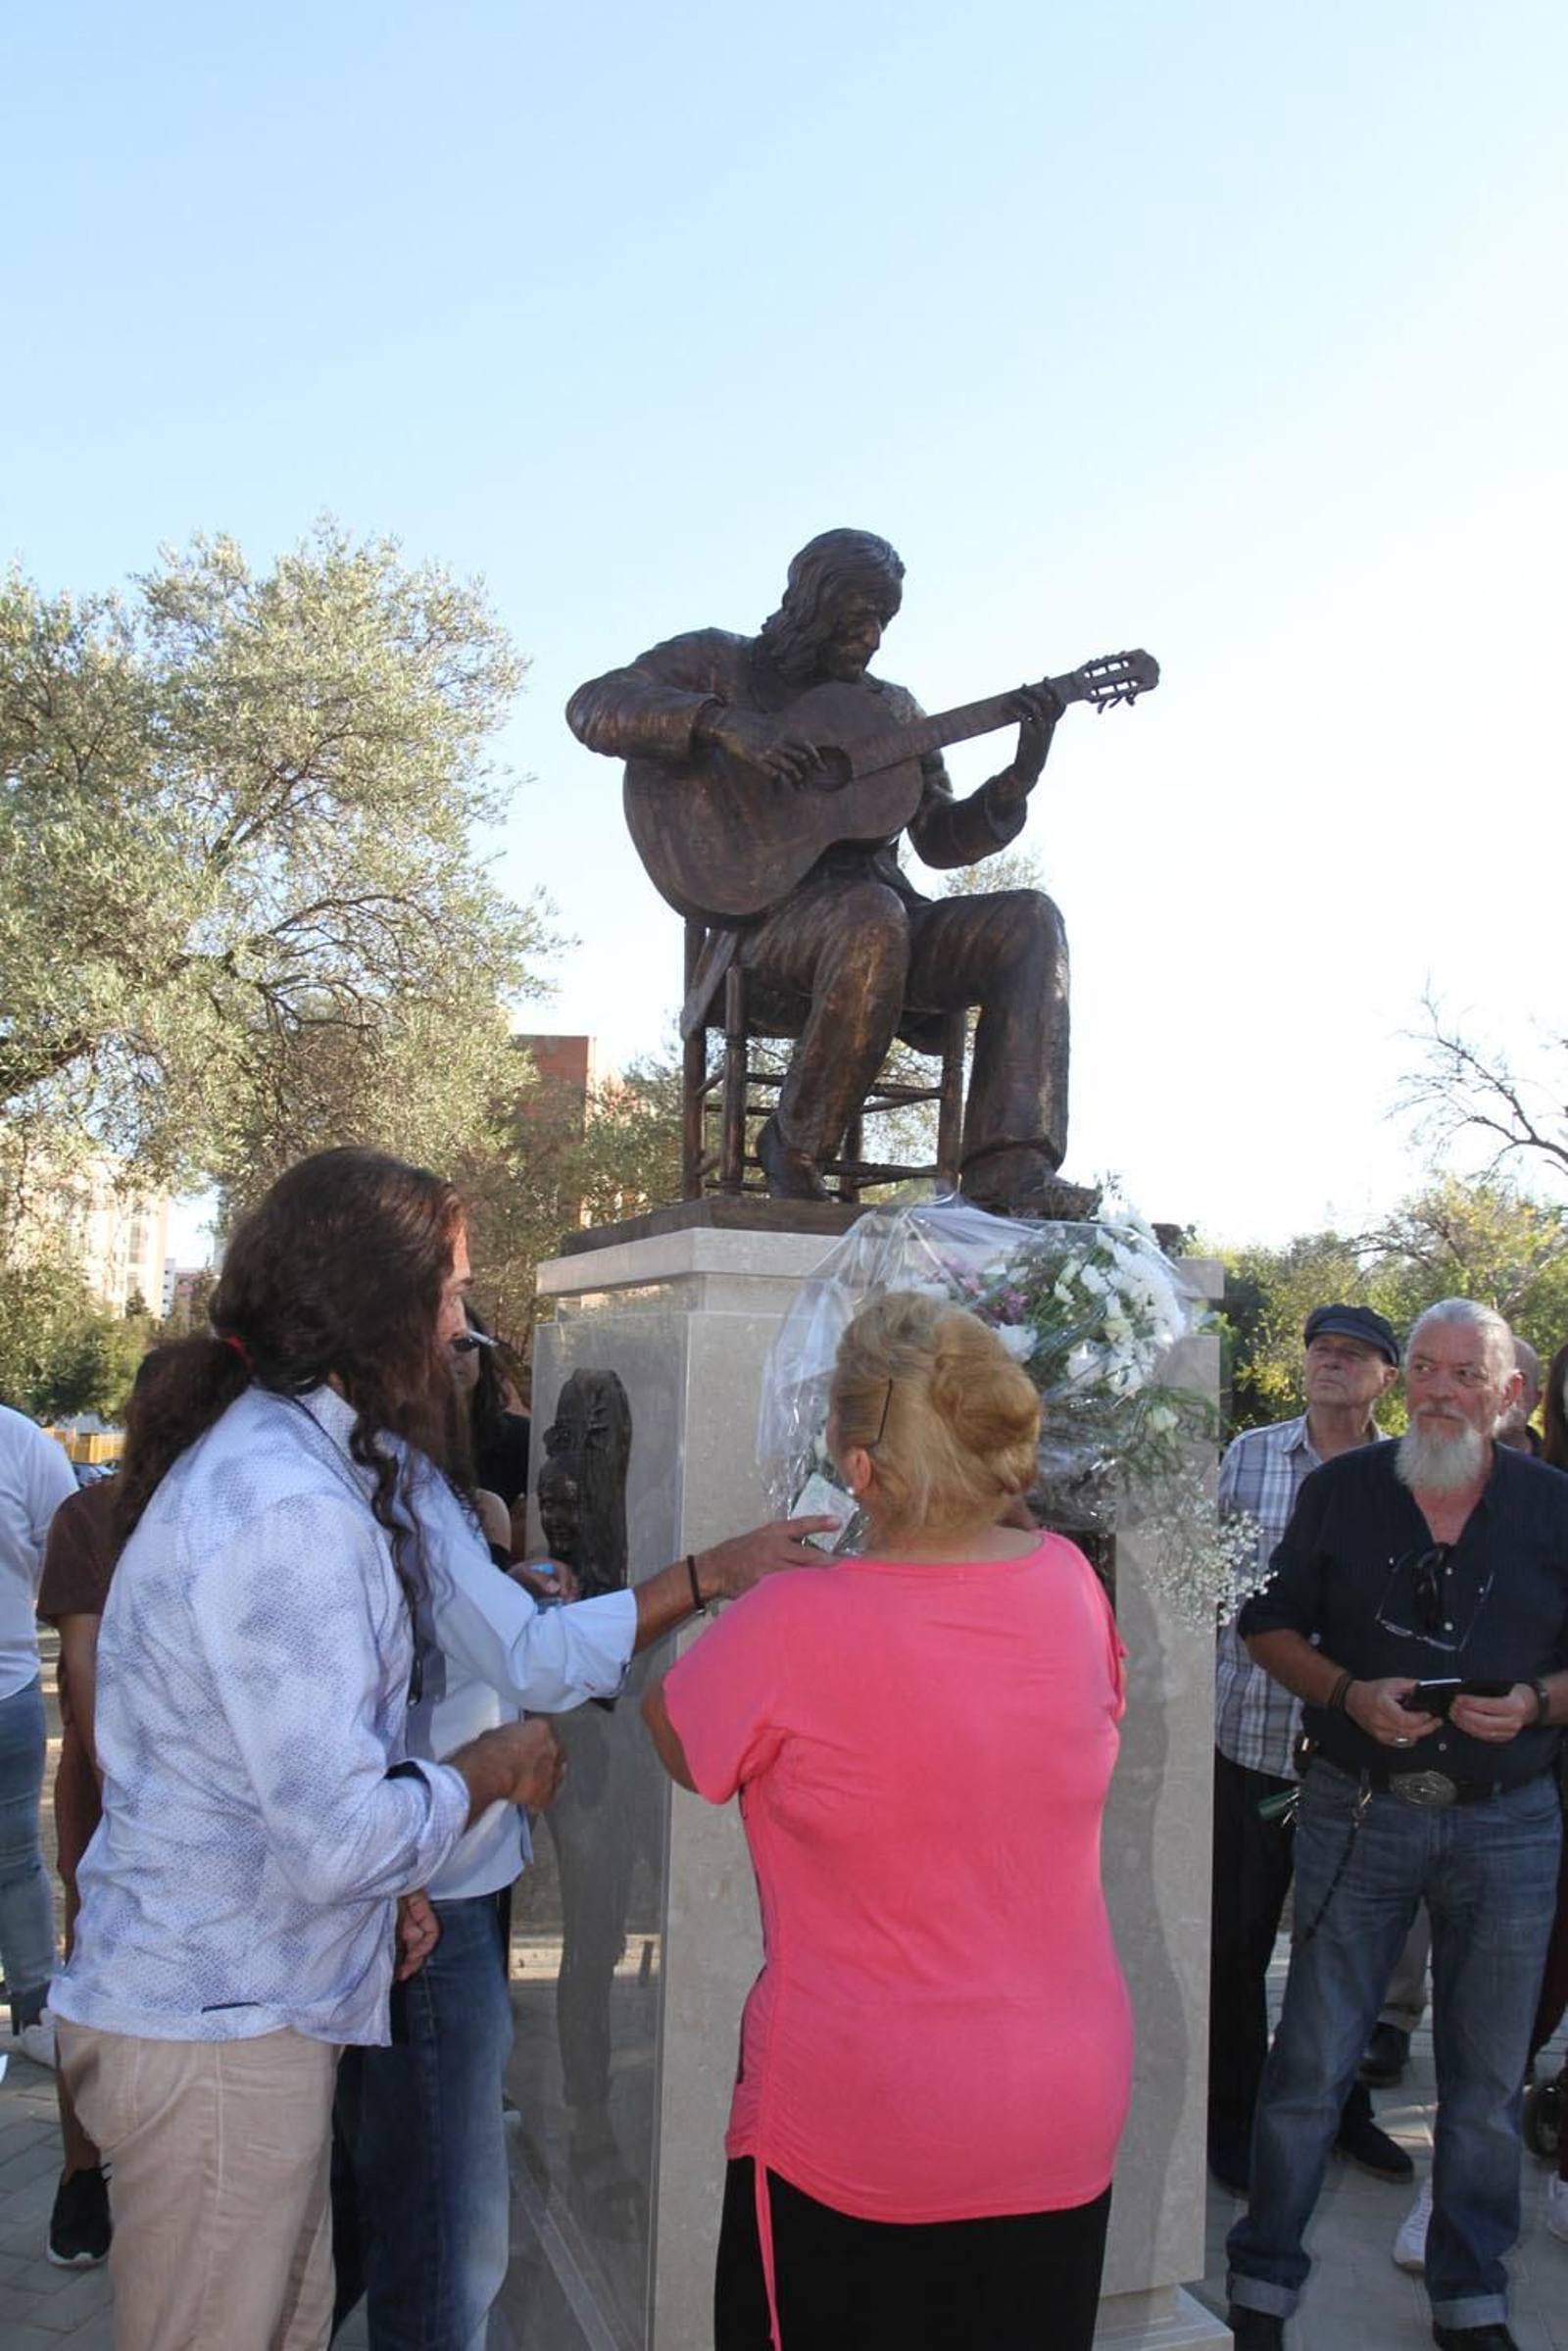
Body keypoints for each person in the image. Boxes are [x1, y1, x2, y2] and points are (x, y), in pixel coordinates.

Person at [50, 1148, 568, 2351]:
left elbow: (276, 1784)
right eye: (448, 1292)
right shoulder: (287, 1504)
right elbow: (335, 1834)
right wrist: (484, 1772)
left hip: (244, 2012)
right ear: (377, 1305)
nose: (460, 1326)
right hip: (213, 2038)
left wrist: (376, 1901)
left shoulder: (294, 1464)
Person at [643, 1291, 1131, 2351]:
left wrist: (739, 1584)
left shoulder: (791, 1623)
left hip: (864, 2115)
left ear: (858, 1468)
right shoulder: (1070, 1583)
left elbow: (676, 1737)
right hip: (1063, 2096)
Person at [331, 1340, 830, 2350]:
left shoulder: (401, 1469)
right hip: (431, 1891)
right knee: (437, 2237)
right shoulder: (385, 1469)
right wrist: (712, 1570)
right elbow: (537, 1660)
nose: (461, 1346)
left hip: (436, 1884)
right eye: (448, 1311)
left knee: (405, 2204)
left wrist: (499, 1582)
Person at [1225, 1298, 1568, 2351]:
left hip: (1507, 1824)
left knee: (1480, 2084)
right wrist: (1343, 1692)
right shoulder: (1338, 1491)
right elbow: (1266, 1621)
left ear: (1508, 1393)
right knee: (1307, 2072)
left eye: (1466, 1372)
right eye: (1423, 1367)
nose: (1439, 1388)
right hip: (1356, 1811)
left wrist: (1540, 1703)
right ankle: (1261, 2294)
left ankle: (1469, 2302)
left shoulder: (1555, 1505)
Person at [566, 528, 1071, 1207]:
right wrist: (722, 725)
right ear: (813, 603)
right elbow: (593, 707)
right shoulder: (716, 664)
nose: (873, 638)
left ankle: (1011, 1171)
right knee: (870, 921)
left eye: (884, 622)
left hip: (885, 924)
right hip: (762, 933)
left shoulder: (890, 711)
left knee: (1029, 923)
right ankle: (795, 1146)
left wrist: (1019, 776)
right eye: (860, 617)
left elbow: (940, 839)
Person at [1208, 1303, 1412, 2194]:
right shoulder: (1248, 1453)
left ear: (1385, 1378)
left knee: (1344, 1951)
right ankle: (1236, 2116)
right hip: (1249, 1739)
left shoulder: (1411, 1471)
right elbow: (1210, 1574)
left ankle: (1344, 2111)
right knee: (1239, 1946)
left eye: (1354, 1353)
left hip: (1359, 1758)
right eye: (1320, 1348)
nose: (1331, 1363)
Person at [33, 1347, 180, 2268]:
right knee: (91, 1967)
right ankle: (82, 2170)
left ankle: (124, 2165)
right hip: (112, 1792)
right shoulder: (91, 1517)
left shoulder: (217, 1512)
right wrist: (124, 1775)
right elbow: (82, 1670)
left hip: (183, 1789)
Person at [0, 1396, 74, 2068]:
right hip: (11, 1679)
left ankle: (33, 2003)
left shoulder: (24, 1443)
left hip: (10, 1686)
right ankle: (32, 2006)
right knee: (14, 1864)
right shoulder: (24, 1444)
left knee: (15, 1859)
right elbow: (64, 1554)